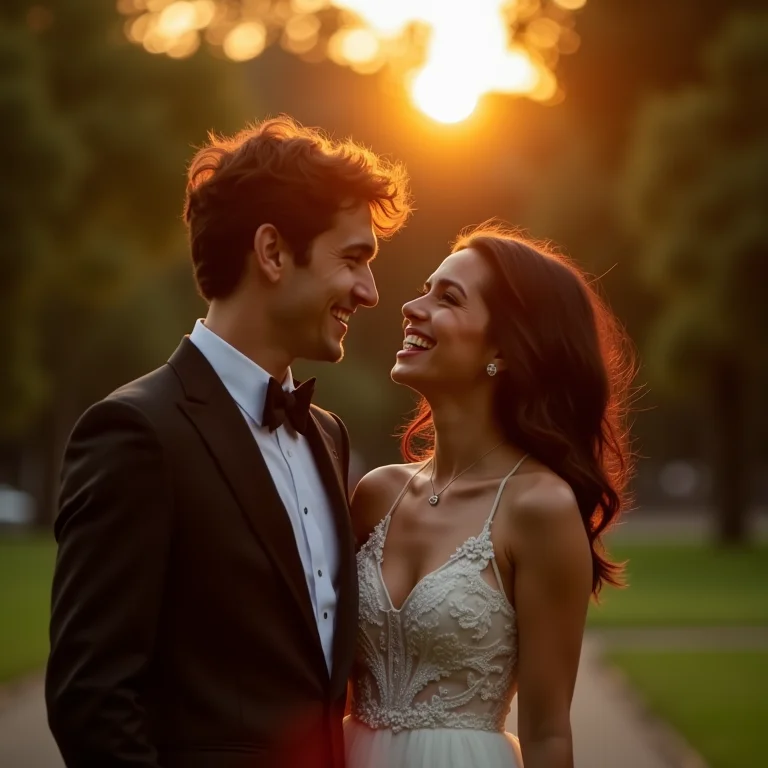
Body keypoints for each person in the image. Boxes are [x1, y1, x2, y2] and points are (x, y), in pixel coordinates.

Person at [45, 116, 411, 768]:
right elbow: (91, 699)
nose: (370, 292)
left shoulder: (326, 435)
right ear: (272, 252)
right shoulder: (135, 434)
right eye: (353, 259)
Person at [345, 225, 634, 768]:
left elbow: (548, 733)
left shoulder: (539, 509)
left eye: (447, 298)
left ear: (505, 345)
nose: (411, 306)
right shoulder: (376, 494)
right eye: (425, 288)